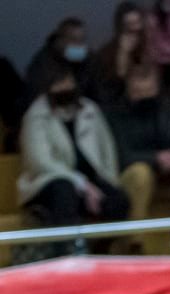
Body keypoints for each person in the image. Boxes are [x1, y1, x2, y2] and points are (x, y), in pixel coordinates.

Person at [19, 69, 128, 234]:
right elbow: (40, 162)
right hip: (50, 182)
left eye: (69, 81)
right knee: (64, 191)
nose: (65, 87)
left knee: (118, 200)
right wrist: (81, 184)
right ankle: (65, 247)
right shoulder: (36, 115)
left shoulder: (90, 109)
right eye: (59, 83)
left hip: (92, 180)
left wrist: (109, 181)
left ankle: (101, 247)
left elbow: (108, 149)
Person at [107, 63, 170, 221]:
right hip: (132, 173)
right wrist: (156, 158)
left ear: (157, 88)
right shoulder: (116, 115)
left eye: (148, 91)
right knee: (141, 173)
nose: (144, 96)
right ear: (128, 89)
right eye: (138, 92)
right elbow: (121, 156)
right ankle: (137, 233)